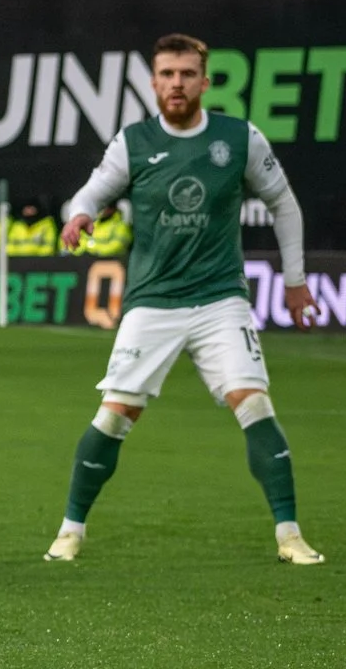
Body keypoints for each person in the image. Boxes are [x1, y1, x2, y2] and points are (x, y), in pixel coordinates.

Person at [50, 33, 323, 567]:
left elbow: (283, 204)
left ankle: (289, 535)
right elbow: (91, 192)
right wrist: (79, 215)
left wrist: (296, 281)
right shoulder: (133, 142)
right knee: (114, 416)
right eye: (168, 75)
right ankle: (69, 530)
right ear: (153, 83)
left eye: (187, 74)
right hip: (152, 302)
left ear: (206, 81)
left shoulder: (238, 138)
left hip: (220, 299)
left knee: (255, 401)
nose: (177, 83)